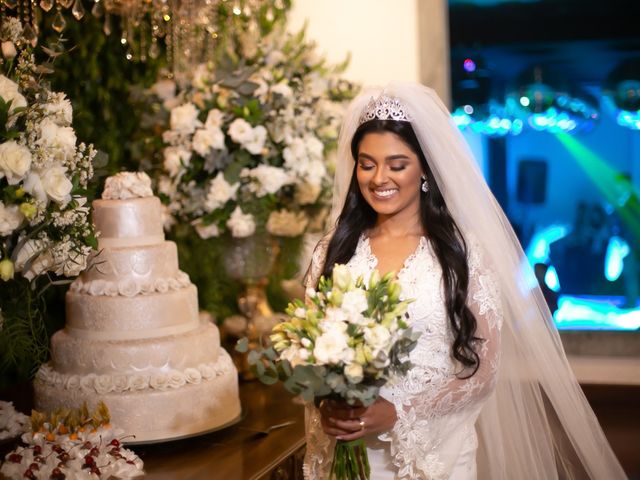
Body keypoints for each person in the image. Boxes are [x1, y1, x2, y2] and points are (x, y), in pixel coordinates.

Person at [302, 83, 626, 479]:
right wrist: (327, 403)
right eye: (367, 163)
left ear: (424, 168)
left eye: (397, 164)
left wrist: (399, 411)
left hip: (433, 456)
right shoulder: (332, 252)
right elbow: (310, 351)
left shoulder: (462, 255)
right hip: (350, 455)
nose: (379, 177)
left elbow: (484, 373)